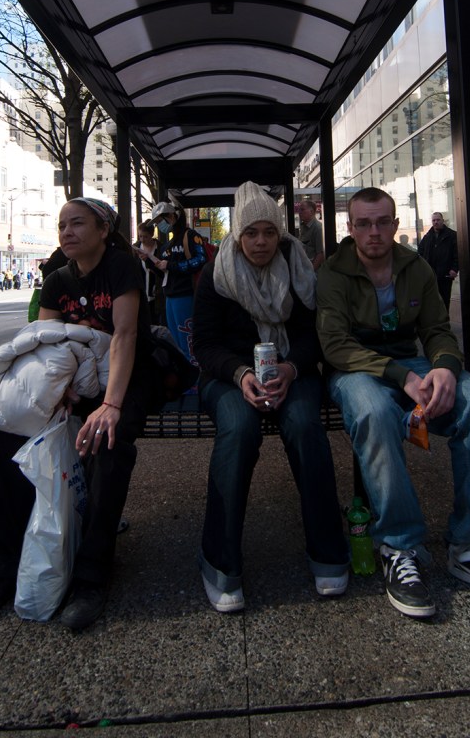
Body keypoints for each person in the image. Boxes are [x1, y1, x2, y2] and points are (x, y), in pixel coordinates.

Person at [316, 186, 470, 619]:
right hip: (356, 368)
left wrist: (443, 366)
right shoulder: (334, 272)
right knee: (374, 411)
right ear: (350, 228)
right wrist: (404, 377)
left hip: (413, 360)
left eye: (383, 222)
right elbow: (335, 346)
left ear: (395, 225)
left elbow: (438, 329)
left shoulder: (415, 266)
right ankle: (399, 545)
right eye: (363, 224)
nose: (374, 232)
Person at [0, 197, 156, 632]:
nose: (66, 232)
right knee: (4, 437)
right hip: (75, 382)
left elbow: (124, 334)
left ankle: (90, 576)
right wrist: (54, 397)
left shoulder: (122, 267)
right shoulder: (55, 279)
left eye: (77, 224)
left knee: (107, 442)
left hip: (126, 379)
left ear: (103, 230)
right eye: (62, 225)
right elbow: (43, 344)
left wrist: (111, 405)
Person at [193, 180, 349, 613]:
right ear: (236, 236)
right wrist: (241, 373)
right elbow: (204, 344)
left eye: (268, 232)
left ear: (280, 232)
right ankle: (220, 562)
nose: (261, 242)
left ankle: (328, 551)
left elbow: (313, 336)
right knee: (239, 430)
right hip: (228, 377)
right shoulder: (215, 275)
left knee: (304, 424)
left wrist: (289, 368)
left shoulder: (299, 267)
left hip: (290, 372)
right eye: (250, 234)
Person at [150, 201, 206, 363]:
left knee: (188, 337)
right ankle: (187, 374)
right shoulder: (168, 244)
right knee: (176, 339)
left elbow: (201, 259)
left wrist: (172, 265)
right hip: (170, 295)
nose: (159, 226)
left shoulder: (190, 236)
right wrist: (150, 261)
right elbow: (164, 271)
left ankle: (196, 376)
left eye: (160, 220)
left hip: (186, 294)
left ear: (171, 216)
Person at [417, 212, 459, 311]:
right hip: (430, 275)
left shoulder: (452, 235)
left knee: (444, 301)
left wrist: (454, 269)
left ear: (442, 221)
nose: (436, 222)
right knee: (431, 301)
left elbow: (457, 254)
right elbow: (420, 252)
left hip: (445, 275)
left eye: (438, 220)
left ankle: (444, 323)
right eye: (434, 220)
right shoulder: (428, 236)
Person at [134, 221, 166, 326]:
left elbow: (163, 273)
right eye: (140, 236)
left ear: (152, 235)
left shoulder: (161, 248)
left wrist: (149, 262)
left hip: (157, 294)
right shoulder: (135, 248)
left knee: (156, 323)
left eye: (145, 237)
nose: (142, 240)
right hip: (140, 293)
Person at [298, 199, 325, 270]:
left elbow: (320, 254)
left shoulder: (318, 228)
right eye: (299, 210)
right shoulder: (303, 227)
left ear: (311, 211)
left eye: (302, 210)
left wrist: (311, 272)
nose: (299, 212)